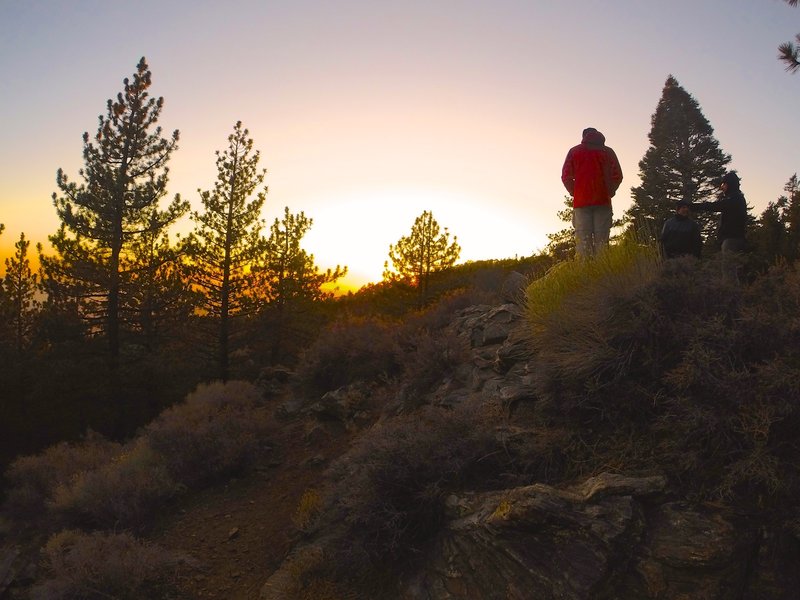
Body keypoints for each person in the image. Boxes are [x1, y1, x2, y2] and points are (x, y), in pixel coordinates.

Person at [561, 127, 623, 258]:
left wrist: (575, 192)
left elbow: (566, 176)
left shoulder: (574, 151)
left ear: (583, 136)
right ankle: (602, 274)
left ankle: (585, 275)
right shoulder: (608, 151)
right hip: (603, 201)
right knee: (602, 243)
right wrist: (609, 191)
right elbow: (617, 175)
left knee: (583, 243)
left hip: (581, 202)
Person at [690, 171, 748, 253]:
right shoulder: (737, 198)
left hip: (731, 240)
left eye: (723, 185)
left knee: (729, 264)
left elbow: (714, 206)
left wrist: (695, 206)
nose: (722, 188)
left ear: (729, 185)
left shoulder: (734, 199)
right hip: (735, 239)